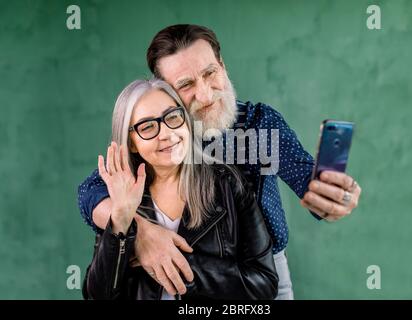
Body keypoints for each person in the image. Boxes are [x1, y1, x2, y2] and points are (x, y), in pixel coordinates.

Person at [78, 24, 362, 299]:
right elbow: (90, 193)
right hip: (181, 265)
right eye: (186, 84)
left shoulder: (260, 124)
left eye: (210, 73)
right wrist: (142, 233)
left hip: (260, 275)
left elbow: (309, 185)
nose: (205, 94)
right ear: (166, 93)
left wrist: (335, 197)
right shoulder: (165, 137)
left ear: (223, 67)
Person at [82, 79, 278, 300]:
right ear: (132, 143)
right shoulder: (120, 195)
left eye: (173, 117)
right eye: (147, 126)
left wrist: (183, 265)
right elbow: (96, 295)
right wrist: (121, 218)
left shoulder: (228, 184)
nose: (165, 133)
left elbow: (265, 285)